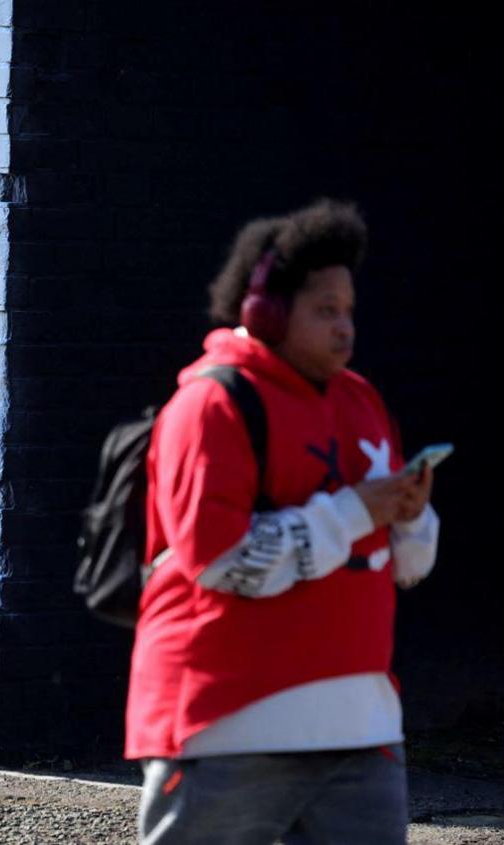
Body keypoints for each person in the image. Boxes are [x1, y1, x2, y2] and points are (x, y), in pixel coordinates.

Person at [129, 199, 439, 843]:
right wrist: (358, 511)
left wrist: (410, 518)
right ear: (264, 311)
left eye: (349, 311)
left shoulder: (362, 400)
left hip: (363, 728)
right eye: (326, 311)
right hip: (228, 725)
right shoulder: (211, 405)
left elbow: (408, 566)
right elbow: (220, 561)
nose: (345, 329)